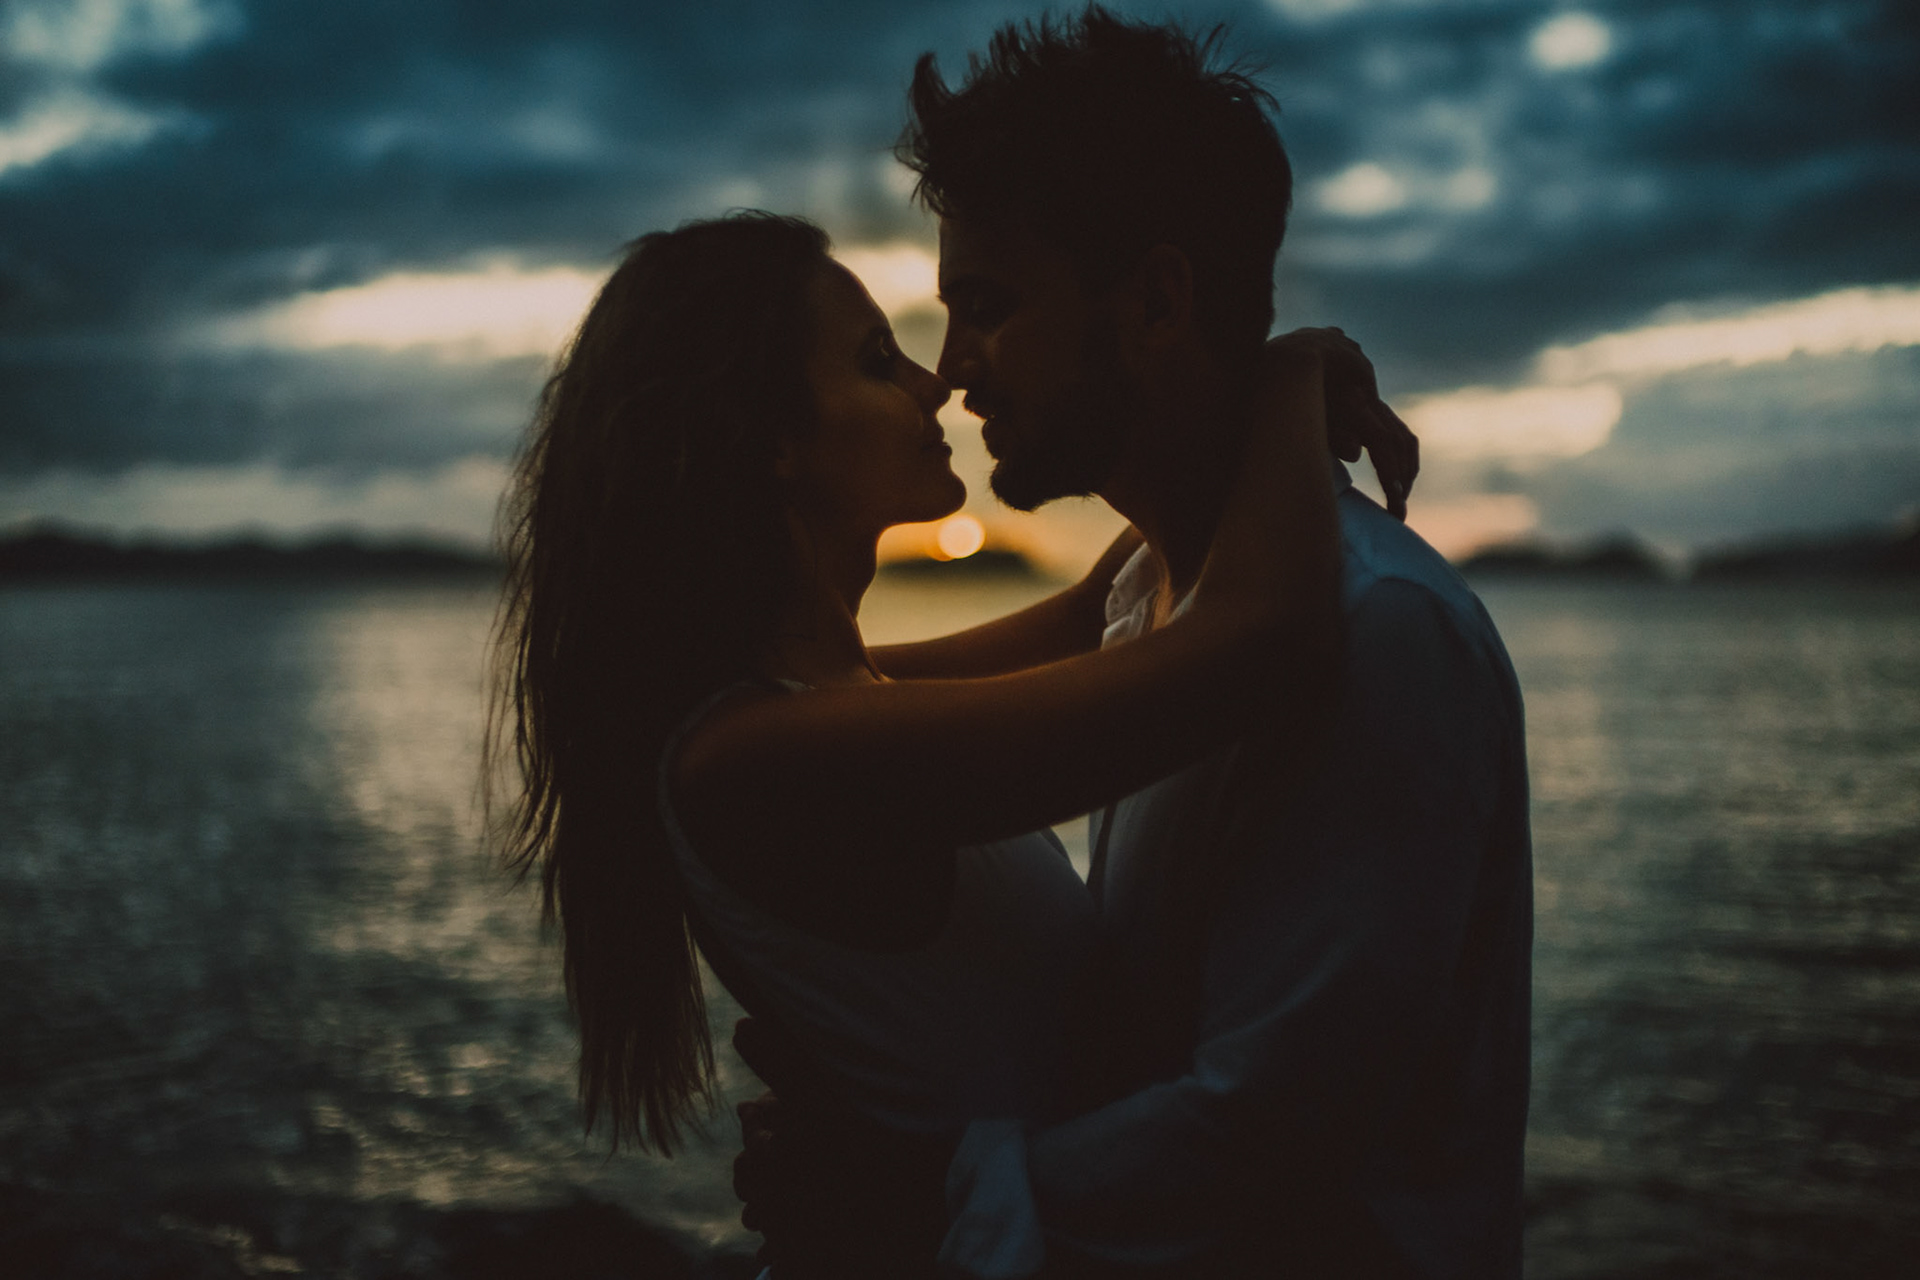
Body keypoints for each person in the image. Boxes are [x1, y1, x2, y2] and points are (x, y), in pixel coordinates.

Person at [735, 9, 1532, 1278]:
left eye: (986, 308)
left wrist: (914, 1196)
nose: (954, 372)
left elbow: (1265, 1132)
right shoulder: (1150, 603)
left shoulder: (1377, 636)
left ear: (1158, 299)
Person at [487, 211, 1409, 1276]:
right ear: (771, 438)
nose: (932, 387)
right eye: (879, 362)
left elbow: (1095, 607)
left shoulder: (838, 698)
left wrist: (1199, 406)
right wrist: (1286, 381)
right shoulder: (763, 758)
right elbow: (1254, 645)